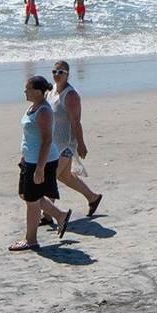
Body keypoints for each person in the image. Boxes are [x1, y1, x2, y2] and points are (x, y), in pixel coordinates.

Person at [13, 75, 69, 251]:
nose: (24, 92)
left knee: (32, 201)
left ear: (37, 92)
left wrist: (40, 168)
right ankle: (60, 215)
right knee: (26, 195)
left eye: (27, 89)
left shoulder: (44, 111)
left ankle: (31, 239)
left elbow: (46, 141)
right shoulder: (32, 107)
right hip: (30, 159)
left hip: (40, 161)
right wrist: (24, 156)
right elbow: (30, 136)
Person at [48, 59, 101, 218]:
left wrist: (81, 144)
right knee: (65, 176)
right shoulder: (51, 91)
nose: (57, 75)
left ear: (67, 75)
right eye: (54, 72)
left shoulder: (70, 95)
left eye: (61, 72)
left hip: (66, 144)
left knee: (51, 177)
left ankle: (48, 214)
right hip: (54, 143)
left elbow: (76, 121)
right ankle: (93, 198)